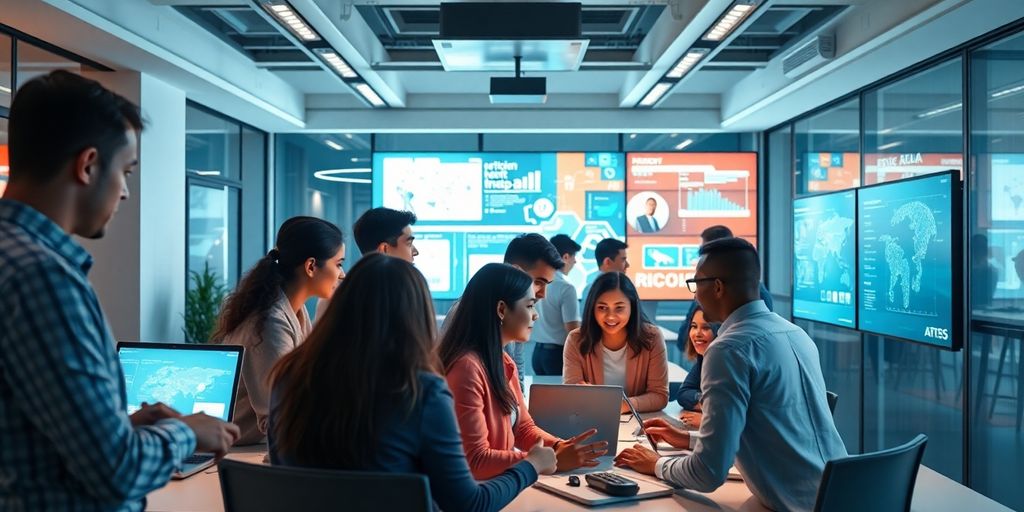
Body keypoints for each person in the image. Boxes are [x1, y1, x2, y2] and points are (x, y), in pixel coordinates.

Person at [0, 70, 239, 510]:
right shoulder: (42, 278)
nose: (126, 192)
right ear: (88, 165)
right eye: (126, 172)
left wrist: (124, 424)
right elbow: (116, 470)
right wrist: (188, 431)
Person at [268, 254, 556, 511]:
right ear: (415, 318)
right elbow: (469, 504)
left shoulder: (289, 376)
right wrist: (530, 466)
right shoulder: (422, 391)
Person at [614, 238, 846, 511]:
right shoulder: (797, 335)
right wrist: (687, 438)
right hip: (842, 495)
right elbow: (772, 432)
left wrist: (656, 464)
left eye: (696, 285)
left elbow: (708, 472)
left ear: (717, 287)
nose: (695, 295)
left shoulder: (729, 350)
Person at [439, 263, 608, 480]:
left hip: (500, 485)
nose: (535, 315)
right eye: (530, 306)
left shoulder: (502, 360)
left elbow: (523, 428)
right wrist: (543, 461)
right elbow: (476, 461)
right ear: (501, 309)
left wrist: (559, 447)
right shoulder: (467, 369)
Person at [214, 216, 345, 445]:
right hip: (242, 451)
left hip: (262, 445)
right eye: (339, 264)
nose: (342, 274)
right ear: (311, 266)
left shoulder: (295, 311)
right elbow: (281, 414)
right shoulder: (270, 323)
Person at [442, 233, 565, 388]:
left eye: (548, 284)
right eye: (539, 282)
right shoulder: (467, 312)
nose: (543, 294)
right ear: (515, 271)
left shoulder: (517, 316)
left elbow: (516, 374)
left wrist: (520, 409)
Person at [563, 272, 669, 413]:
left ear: (632, 306)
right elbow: (572, 394)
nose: (611, 316)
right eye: (602, 308)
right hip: (592, 420)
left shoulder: (652, 338)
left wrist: (624, 405)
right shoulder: (576, 340)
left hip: (638, 423)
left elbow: (659, 396)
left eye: (619, 308)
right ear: (592, 308)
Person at [676, 225, 773, 354]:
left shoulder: (724, 350)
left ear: (717, 287)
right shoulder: (791, 333)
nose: (697, 294)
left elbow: (683, 340)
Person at [314, 207, 417, 321]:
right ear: (384, 249)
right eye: (409, 243)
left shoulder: (403, 293)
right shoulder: (336, 298)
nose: (415, 252)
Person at [529, 234, 582, 376]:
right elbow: (573, 331)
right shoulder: (566, 287)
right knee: (563, 398)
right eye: (573, 257)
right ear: (565, 257)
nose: (575, 262)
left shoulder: (537, 281)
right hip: (557, 355)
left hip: (537, 354)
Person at [675, 305, 719, 429]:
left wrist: (708, 419)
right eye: (694, 326)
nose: (697, 333)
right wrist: (708, 403)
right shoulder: (703, 358)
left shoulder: (730, 363)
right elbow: (683, 394)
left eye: (706, 327)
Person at [580, 237, 629, 304]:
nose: (627, 265)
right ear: (607, 262)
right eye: (623, 260)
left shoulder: (589, 289)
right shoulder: (593, 290)